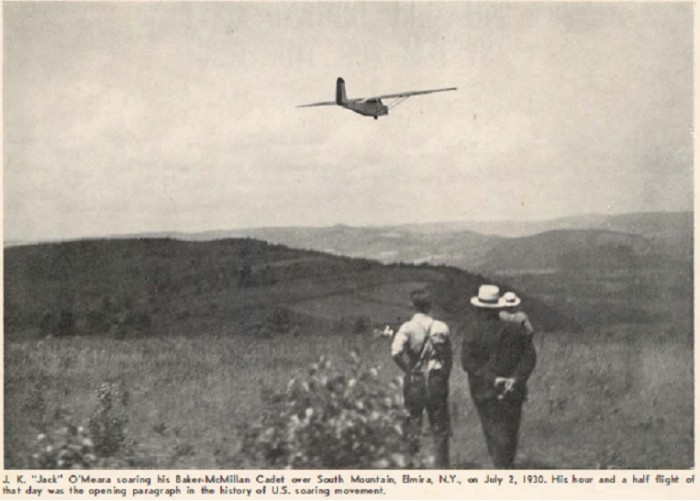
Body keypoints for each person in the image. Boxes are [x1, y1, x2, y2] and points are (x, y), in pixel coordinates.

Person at [461, 285, 536, 468]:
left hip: (485, 391)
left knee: (492, 431)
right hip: (514, 390)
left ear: (479, 308)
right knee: (510, 430)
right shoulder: (516, 329)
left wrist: (492, 379)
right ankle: (506, 465)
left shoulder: (473, 332)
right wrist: (516, 378)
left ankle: (500, 468)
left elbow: (468, 363)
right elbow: (530, 357)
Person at [391, 288, 452, 467]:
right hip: (436, 378)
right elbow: (448, 356)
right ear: (430, 305)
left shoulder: (407, 328)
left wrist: (408, 370)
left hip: (415, 379)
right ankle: (442, 468)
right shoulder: (441, 327)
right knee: (440, 426)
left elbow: (395, 352)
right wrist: (444, 375)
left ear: (413, 305)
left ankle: (410, 467)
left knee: (412, 423)